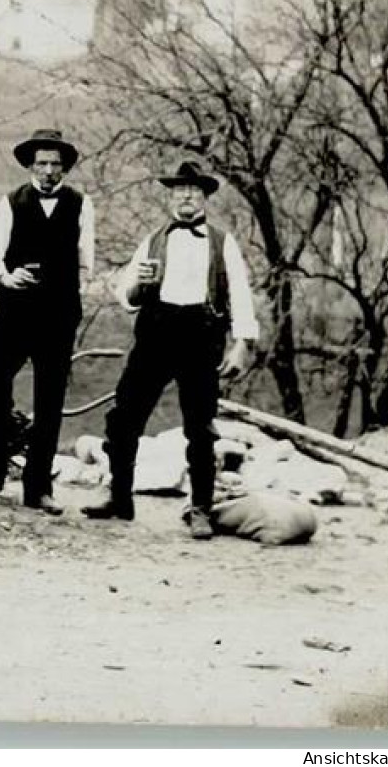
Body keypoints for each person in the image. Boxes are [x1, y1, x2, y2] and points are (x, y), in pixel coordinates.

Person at [84, 159, 258, 539]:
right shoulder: (153, 240)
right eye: (179, 192)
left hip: (202, 336)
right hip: (155, 334)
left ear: (205, 199)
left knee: (200, 426)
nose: (186, 199)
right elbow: (126, 297)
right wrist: (139, 285)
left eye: (194, 193)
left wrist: (242, 343)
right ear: (170, 197)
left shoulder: (221, 242)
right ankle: (118, 496)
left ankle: (200, 508)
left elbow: (242, 294)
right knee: (125, 416)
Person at [0, 127, 96, 515]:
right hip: (14, 311)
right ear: (29, 165)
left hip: (58, 315)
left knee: (50, 397)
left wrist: (72, 296)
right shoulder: (10, 203)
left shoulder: (80, 204)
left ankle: (38, 487)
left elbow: (86, 261)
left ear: (65, 169)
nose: (48, 171)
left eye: (55, 165)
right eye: (41, 163)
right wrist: (6, 278)